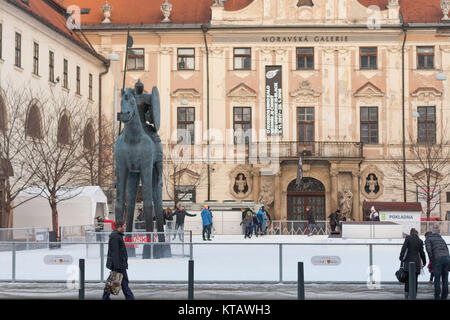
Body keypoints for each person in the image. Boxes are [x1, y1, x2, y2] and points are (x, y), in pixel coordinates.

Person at [103, 221, 134, 300]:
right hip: (119, 265)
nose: (125, 227)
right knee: (121, 283)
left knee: (117, 283)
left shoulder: (117, 236)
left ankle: (105, 297)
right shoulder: (115, 237)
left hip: (120, 264)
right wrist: (117, 267)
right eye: (124, 226)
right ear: (119, 227)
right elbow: (115, 252)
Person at [399, 228, 426, 300]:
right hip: (416, 263)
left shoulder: (408, 238)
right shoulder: (420, 241)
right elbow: (422, 253)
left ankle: (406, 295)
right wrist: (424, 261)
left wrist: (401, 257)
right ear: (417, 234)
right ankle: (414, 295)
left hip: (408, 262)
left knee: (407, 280)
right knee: (415, 280)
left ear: (411, 233)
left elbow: (403, 248)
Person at [425, 224, 449, 300]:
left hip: (438, 259)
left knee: (437, 279)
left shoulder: (428, 239)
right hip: (447, 258)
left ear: (426, 236)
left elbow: (429, 251)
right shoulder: (441, 238)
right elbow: (447, 249)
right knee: (445, 279)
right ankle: (444, 297)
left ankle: (437, 297)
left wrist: (432, 260)